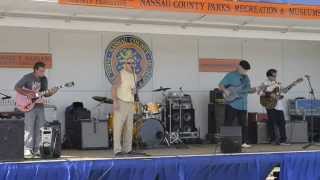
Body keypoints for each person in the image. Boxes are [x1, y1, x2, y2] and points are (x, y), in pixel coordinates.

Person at [15, 62, 57, 157]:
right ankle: (27, 149)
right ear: (35, 70)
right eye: (41, 71)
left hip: (40, 106)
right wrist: (27, 93)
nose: (43, 72)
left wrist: (51, 92)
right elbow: (17, 87)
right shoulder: (27, 77)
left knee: (40, 128)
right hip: (29, 106)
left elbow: (44, 93)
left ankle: (37, 149)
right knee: (29, 128)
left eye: (44, 70)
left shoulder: (44, 79)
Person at [219, 60, 257, 148]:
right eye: (244, 70)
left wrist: (254, 90)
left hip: (243, 104)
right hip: (232, 103)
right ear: (239, 67)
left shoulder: (246, 78)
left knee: (244, 124)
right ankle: (225, 142)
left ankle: (244, 142)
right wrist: (225, 91)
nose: (245, 72)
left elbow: (248, 90)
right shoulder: (231, 75)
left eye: (246, 71)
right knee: (228, 123)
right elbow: (221, 85)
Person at [111, 58, 137, 156]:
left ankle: (128, 149)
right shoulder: (121, 74)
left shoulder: (135, 75)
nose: (131, 64)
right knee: (118, 127)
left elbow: (133, 89)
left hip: (130, 103)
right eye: (129, 62)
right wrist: (115, 101)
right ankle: (117, 150)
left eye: (132, 63)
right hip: (121, 102)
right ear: (125, 64)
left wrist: (135, 91)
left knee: (129, 127)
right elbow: (113, 87)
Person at [259, 69, 290, 145]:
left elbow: (285, 91)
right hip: (270, 105)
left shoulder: (277, 83)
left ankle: (283, 140)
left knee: (282, 123)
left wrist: (293, 84)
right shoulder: (264, 83)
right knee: (272, 123)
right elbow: (260, 93)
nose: (275, 77)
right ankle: (272, 140)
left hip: (279, 106)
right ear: (269, 76)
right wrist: (271, 95)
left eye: (276, 75)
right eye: (273, 76)